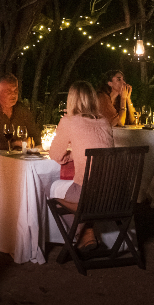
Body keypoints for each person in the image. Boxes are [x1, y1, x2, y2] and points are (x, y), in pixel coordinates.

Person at [48, 81, 114, 249]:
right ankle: (88, 234)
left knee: (50, 189)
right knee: (76, 191)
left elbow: (55, 154)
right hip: (113, 194)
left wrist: (67, 157)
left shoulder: (69, 121)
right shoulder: (105, 122)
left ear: (71, 100)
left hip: (87, 194)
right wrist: (77, 154)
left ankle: (83, 233)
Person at [0, 73, 40, 151]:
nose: (13, 95)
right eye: (9, 91)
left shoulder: (22, 110)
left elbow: (36, 135)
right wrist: (14, 143)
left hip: (22, 159)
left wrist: (31, 142)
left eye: (15, 91)